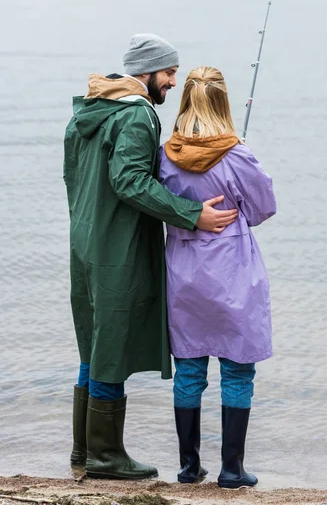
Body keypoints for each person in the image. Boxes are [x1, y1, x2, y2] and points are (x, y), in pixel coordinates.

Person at [63, 36, 238, 481]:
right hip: (117, 250)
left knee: (93, 344)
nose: (173, 83)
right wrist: (192, 213)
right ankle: (106, 456)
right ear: (147, 72)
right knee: (110, 348)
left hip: (84, 243)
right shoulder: (138, 115)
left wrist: (90, 225)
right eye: (169, 73)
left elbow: (73, 177)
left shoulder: (87, 109)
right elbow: (131, 181)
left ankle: (83, 451)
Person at [159, 66, 277, 489]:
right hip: (233, 271)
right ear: (224, 102)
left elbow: (157, 203)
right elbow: (264, 208)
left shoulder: (164, 155)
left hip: (182, 273)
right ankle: (232, 469)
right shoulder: (238, 155)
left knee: (190, 369)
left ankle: (189, 467)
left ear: (185, 100)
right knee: (237, 370)